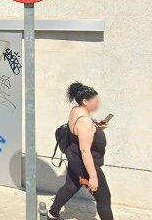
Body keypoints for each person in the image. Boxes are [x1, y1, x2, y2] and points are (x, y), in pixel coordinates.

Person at [48, 82, 113, 220]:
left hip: (74, 158)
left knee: (70, 187)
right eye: (95, 101)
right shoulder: (85, 121)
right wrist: (93, 177)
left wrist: (96, 126)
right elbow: (85, 150)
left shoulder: (76, 110)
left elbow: (80, 132)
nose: (97, 104)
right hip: (84, 163)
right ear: (85, 101)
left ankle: (52, 214)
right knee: (104, 198)